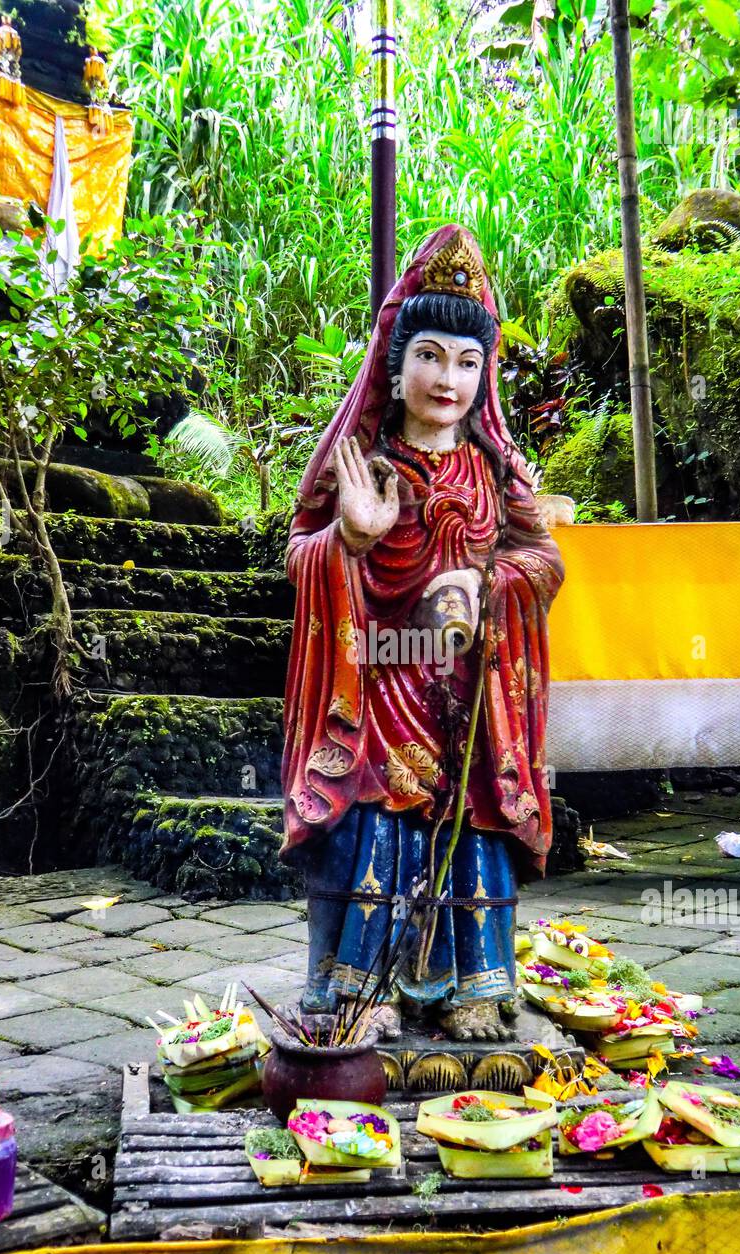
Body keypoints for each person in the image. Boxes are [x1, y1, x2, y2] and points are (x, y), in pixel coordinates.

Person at [280, 225, 564, 1041]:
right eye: (431, 356)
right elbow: (299, 554)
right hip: (374, 682)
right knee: (374, 821)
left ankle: (472, 987)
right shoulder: (360, 460)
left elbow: (539, 557)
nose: (448, 379)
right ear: (394, 365)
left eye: (468, 363)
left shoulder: (495, 469)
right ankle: (353, 990)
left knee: (476, 825)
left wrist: (490, 585)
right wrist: (351, 540)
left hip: (473, 690)